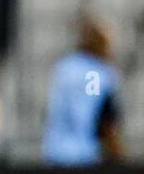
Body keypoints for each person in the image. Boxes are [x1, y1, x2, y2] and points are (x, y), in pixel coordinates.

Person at [43, 15, 124, 165]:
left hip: (54, 151)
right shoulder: (97, 73)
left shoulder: (64, 67)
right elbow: (98, 115)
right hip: (83, 154)